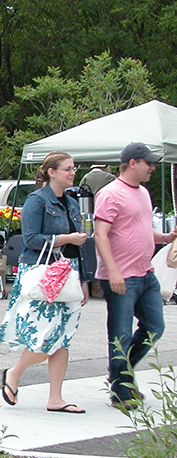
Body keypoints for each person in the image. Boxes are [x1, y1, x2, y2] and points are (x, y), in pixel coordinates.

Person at [0, 151, 89, 413]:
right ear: (51, 172)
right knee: (47, 337)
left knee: (64, 336)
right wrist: (66, 238)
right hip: (42, 274)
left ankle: (55, 398)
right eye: (67, 169)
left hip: (67, 274)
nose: (72, 173)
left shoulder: (70, 202)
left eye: (73, 168)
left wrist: (84, 281)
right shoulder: (37, 200)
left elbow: (79, 247)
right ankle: (14, 373)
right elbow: (31, 239)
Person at [94, 142, 177, 409]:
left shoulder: (142, 192)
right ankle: (121, 391)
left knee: (154, 328)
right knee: (120, 333)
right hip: (121, 277)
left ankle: (121, 375)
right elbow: (101, 234)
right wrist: (113, 271)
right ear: (132, 163)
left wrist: (164, 237)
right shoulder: (110, 194)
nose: (152, 167)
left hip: (145, 273)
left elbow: (138, 227)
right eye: (148, 163)